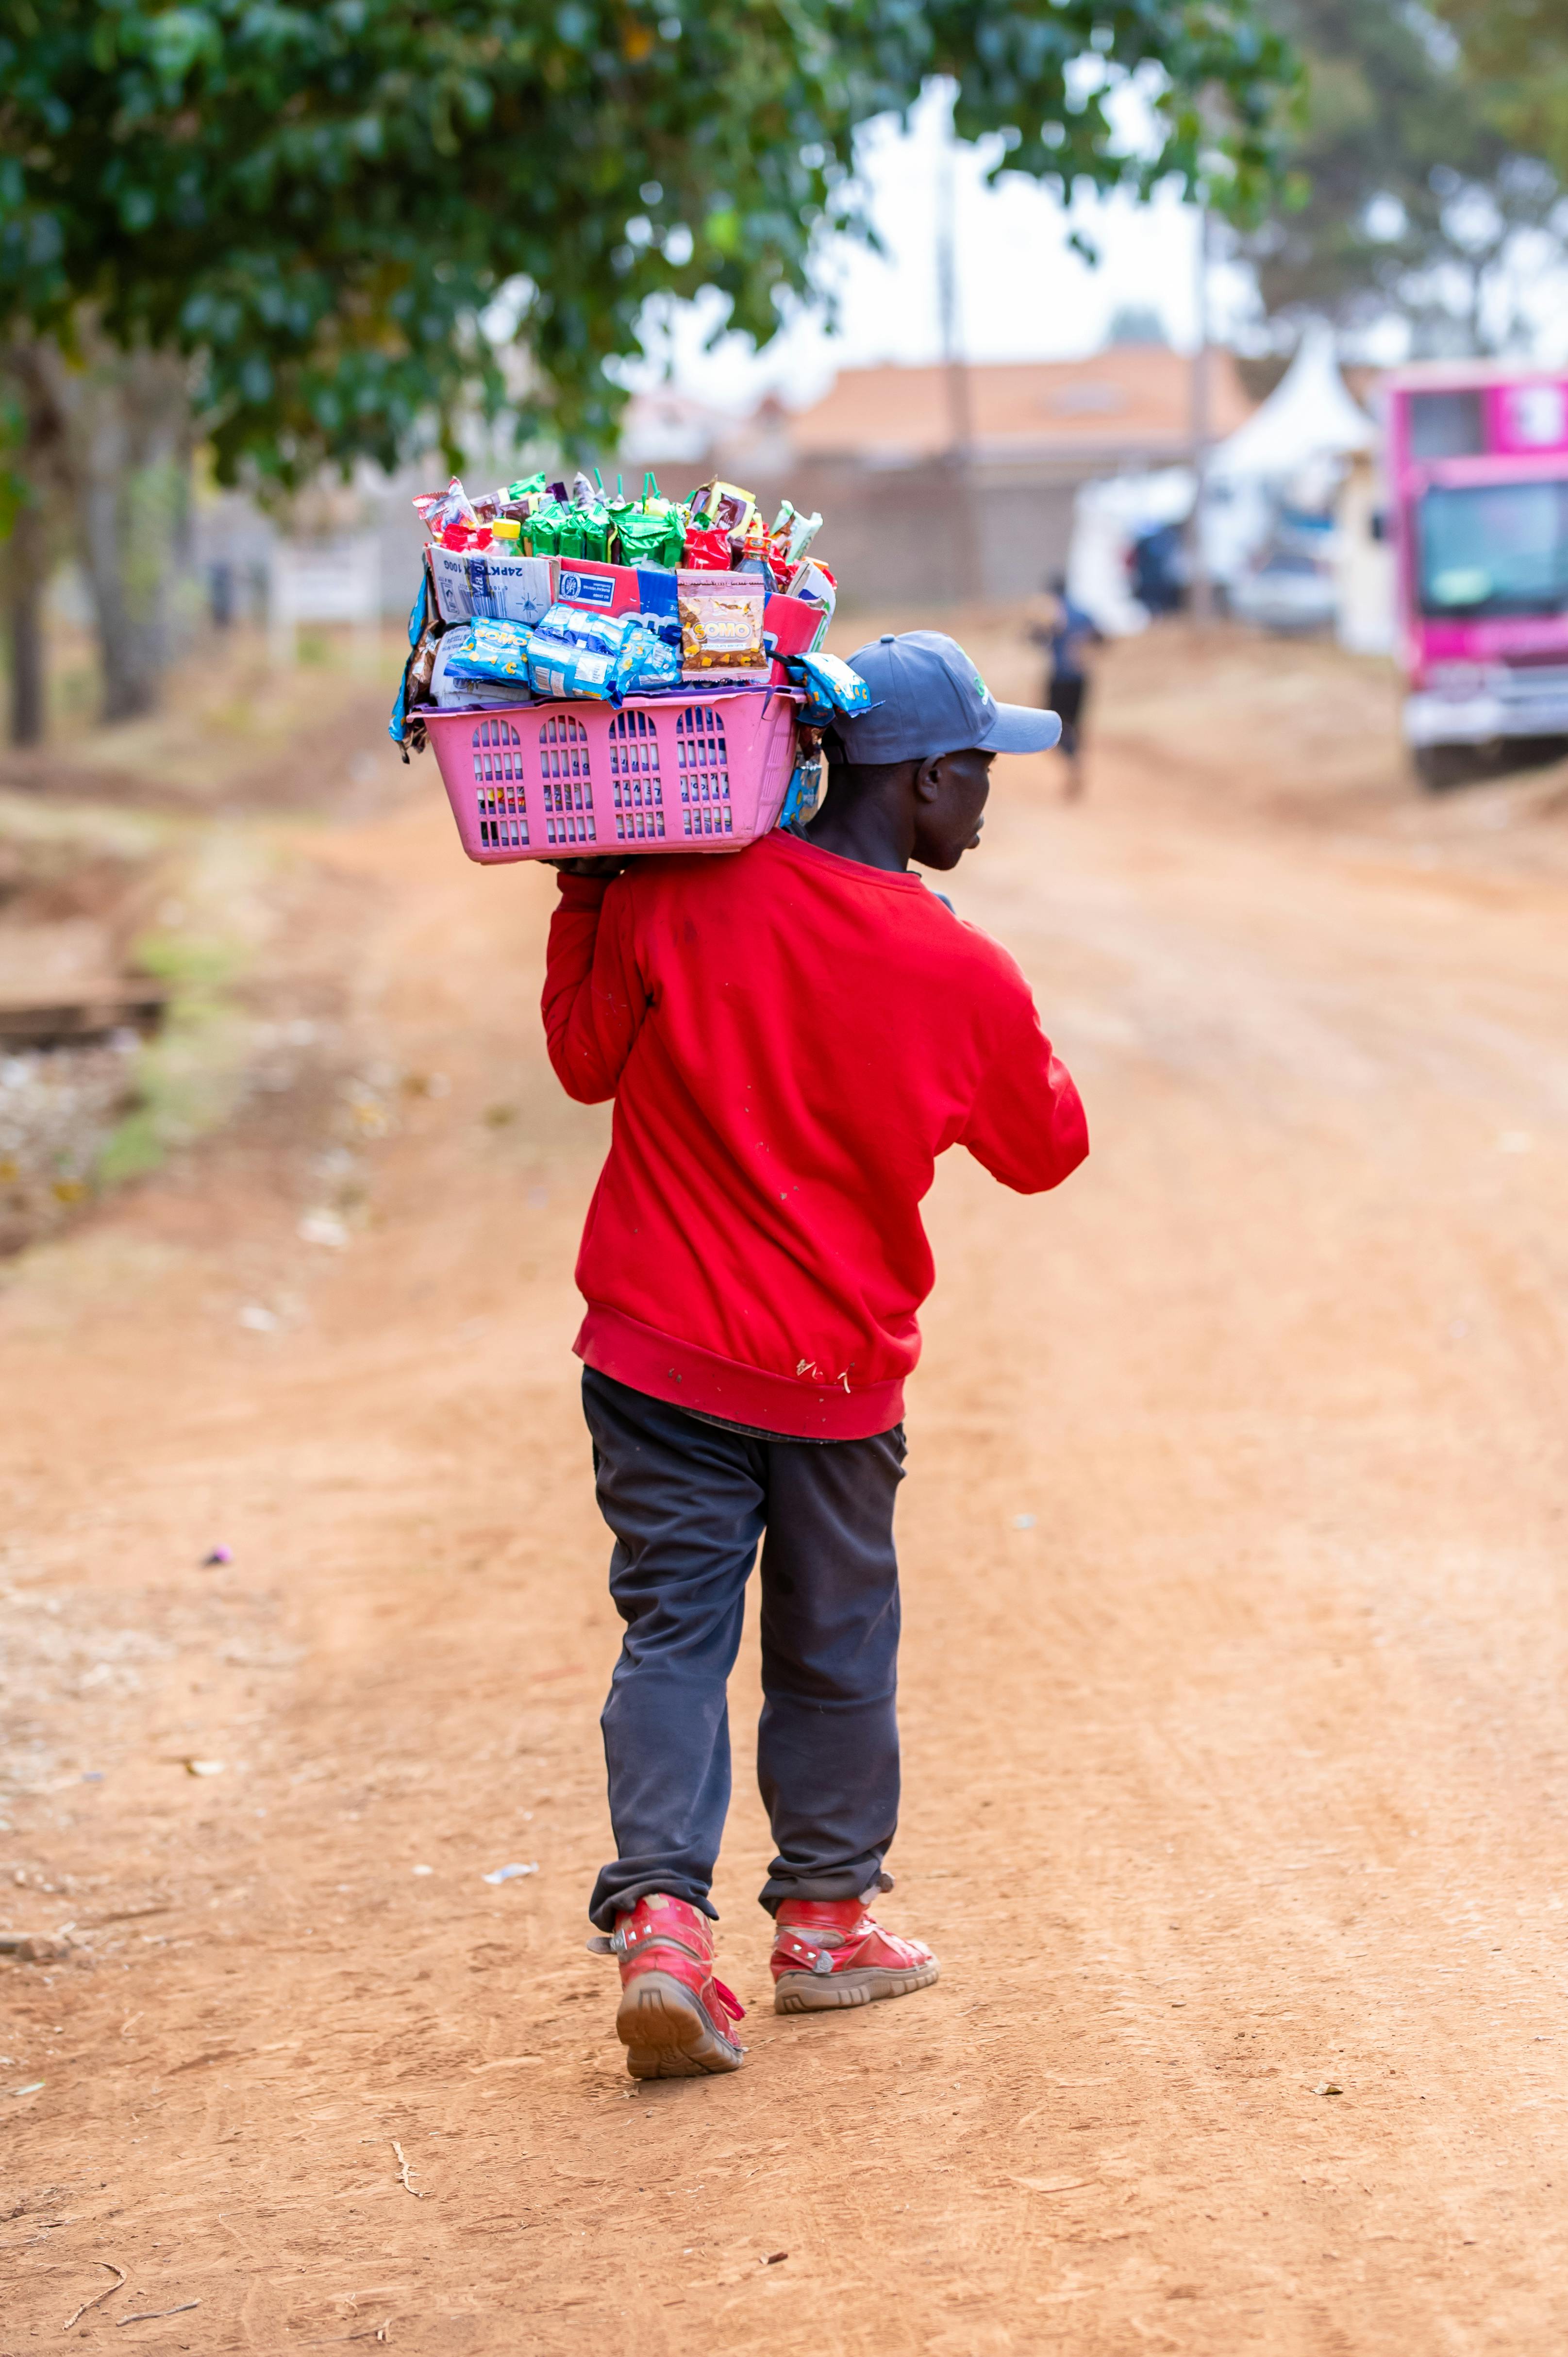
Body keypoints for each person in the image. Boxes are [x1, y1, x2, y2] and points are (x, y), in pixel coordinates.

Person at [541, 631, 1089, 2080]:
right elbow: (1045, 1151)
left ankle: (663, 1925)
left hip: (653, 1347)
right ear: (918, 783)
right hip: (836, 1375)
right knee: (833, 1646)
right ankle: (827, 1924)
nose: (985, 802)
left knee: (674, 1628)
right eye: (976, 774)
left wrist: (587, 888)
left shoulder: (680, 889)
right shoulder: (957, 968)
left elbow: (584, 1058)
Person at [1026, 571, 1101, 801]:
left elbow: (1034, 638)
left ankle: (1071, 763)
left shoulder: (1052, 613)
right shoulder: (1082, 613)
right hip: (1081, 677)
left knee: (1053, 726)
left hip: (1059, 678)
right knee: (1076, 725)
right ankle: (1075, 764)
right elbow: (1101, 638)